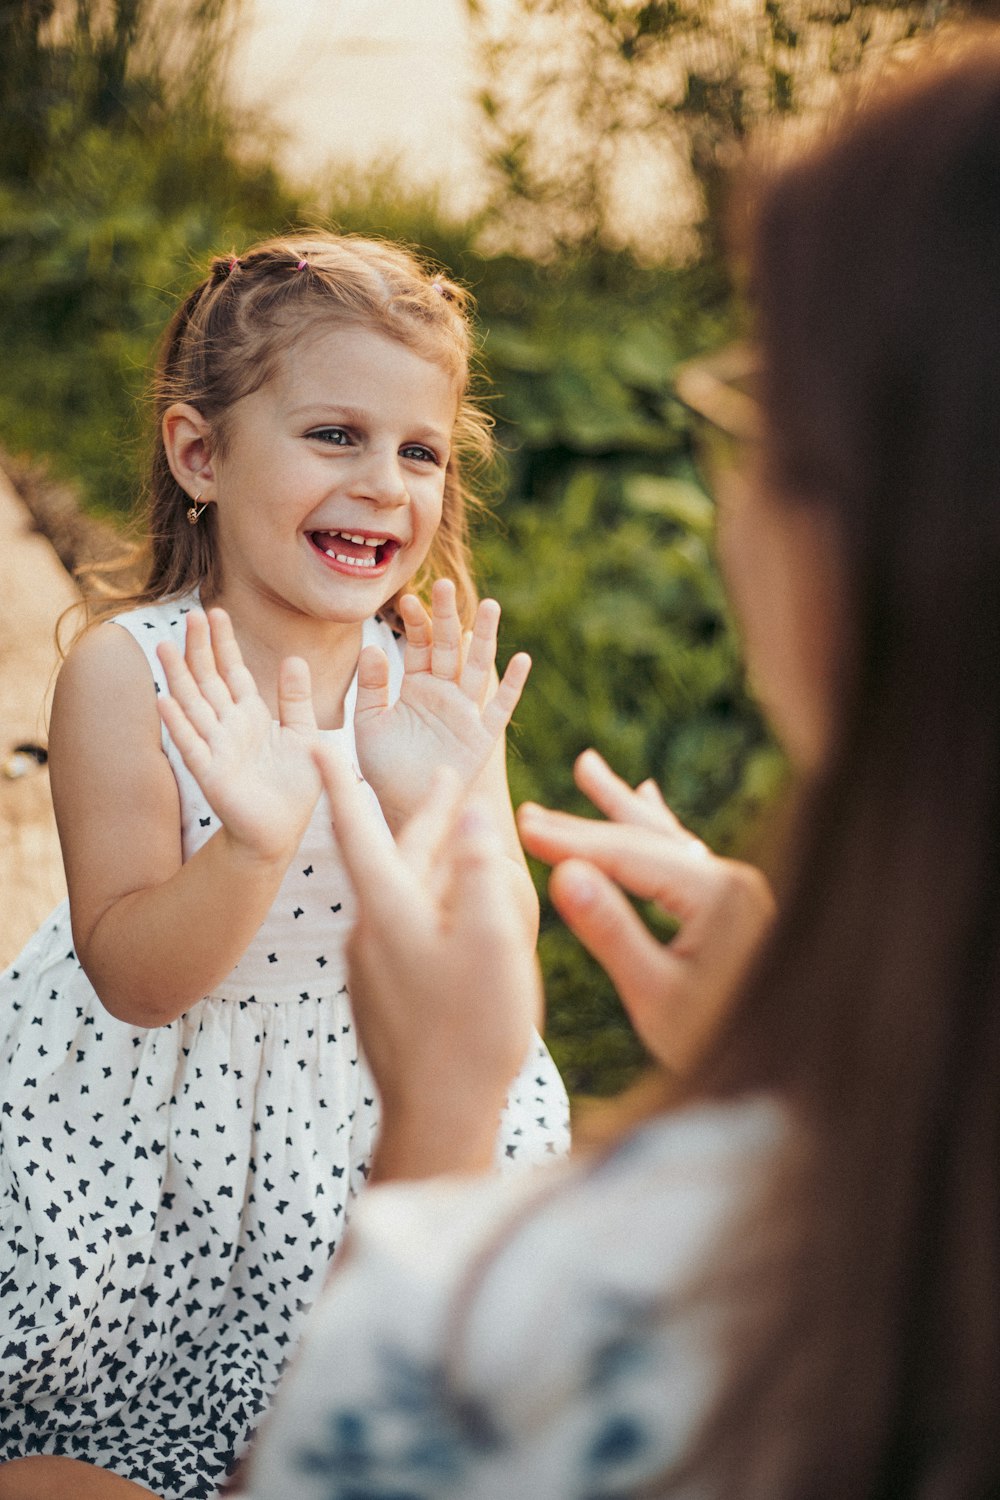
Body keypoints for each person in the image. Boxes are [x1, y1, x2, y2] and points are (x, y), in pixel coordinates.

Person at [233, 38, 1000, 1500]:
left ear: (841, 558)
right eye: (334, 435)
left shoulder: (533, 1334)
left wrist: (439, 1147)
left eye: (757, 400)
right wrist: (813, 1059)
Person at [0, 233, 569, 1499]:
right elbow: (136, 976)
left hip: (372, 1106)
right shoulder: (130, 674)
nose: (385, 483)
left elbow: (493, 966)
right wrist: (255, 839)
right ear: (199, 454)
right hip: (157, 1130)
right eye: (334, 436)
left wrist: (430, 812)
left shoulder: (424, 686)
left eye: (419, 451)